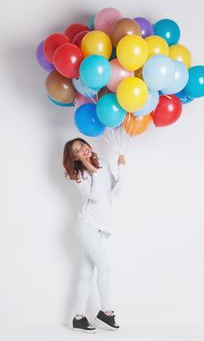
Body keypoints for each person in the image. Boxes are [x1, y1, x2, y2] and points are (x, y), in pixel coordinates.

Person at [63, 137, 126, 333]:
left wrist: (121, 167)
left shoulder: (103, 165)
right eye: (77, 151)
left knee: (85, 274)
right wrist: (90, 168)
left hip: (98, 226)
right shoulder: (78, 175)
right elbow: (97, 196)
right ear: (74, 158)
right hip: (87, 225)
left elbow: (115, 190)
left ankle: (78, 318)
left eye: (82, 145)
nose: (83, 150)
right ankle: (106, 313)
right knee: (105, 267)